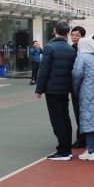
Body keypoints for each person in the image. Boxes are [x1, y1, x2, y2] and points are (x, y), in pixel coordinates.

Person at [36, 21, 77, 160]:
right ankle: (66, 148)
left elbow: (44, 70)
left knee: (57, 120)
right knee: (65, 118)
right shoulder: (71, 49)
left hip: (53, 89)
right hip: (65, 88)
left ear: (54, 31)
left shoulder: (49, 47)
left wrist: (39, 89)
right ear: (68, 33)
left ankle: (63, 151)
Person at [69, 25, 87, 148]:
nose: (74, 37)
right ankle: (82, 137)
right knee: (78, 112)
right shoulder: (71, 49)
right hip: (75, 86)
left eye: (77, 35)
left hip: (83, 86)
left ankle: (82, 138)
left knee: (82, 112)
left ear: (83, 36)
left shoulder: (84, 51)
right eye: (72, 35)